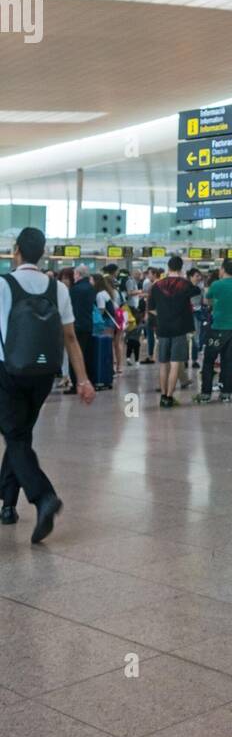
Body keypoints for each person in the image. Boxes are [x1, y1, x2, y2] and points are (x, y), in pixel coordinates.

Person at [0, 228, 95, 542]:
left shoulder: (2, 285)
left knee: (14, 436)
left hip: (7, 371)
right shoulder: (58, 288)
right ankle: (8, 506)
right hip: (43, 374)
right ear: (42, 253)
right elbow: (69, 338)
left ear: (16, 251)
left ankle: (43, 497)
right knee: (20, 435)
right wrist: (82, 379)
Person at [195, 258, 232, 404]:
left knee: (209, 360)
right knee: (229, 360)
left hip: (218, 327)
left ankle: (206, 393)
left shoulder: (217, 284)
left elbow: (207, 301)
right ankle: (226, 393)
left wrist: (216, 304)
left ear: (223, 269)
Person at [148, 255, 196, 408]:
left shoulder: (156, 285)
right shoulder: (185, 284)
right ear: (181, 268)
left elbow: (152, 309)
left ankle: (162, 396)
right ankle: (169, 397)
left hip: (162, 328)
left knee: (163, 363)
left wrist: (163, 315)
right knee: (175, 363)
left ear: (168, 267)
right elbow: (196, 293)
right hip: (179, 328)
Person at [66, 264, 95, 395]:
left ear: (78, 274)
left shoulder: (75, 290)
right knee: (87, 354)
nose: (73, 276)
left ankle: (75, 383)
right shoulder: (90, 288)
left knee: (75, 354)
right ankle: (89, 379)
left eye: (74, 274)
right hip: (88, 325)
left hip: (76, 325)